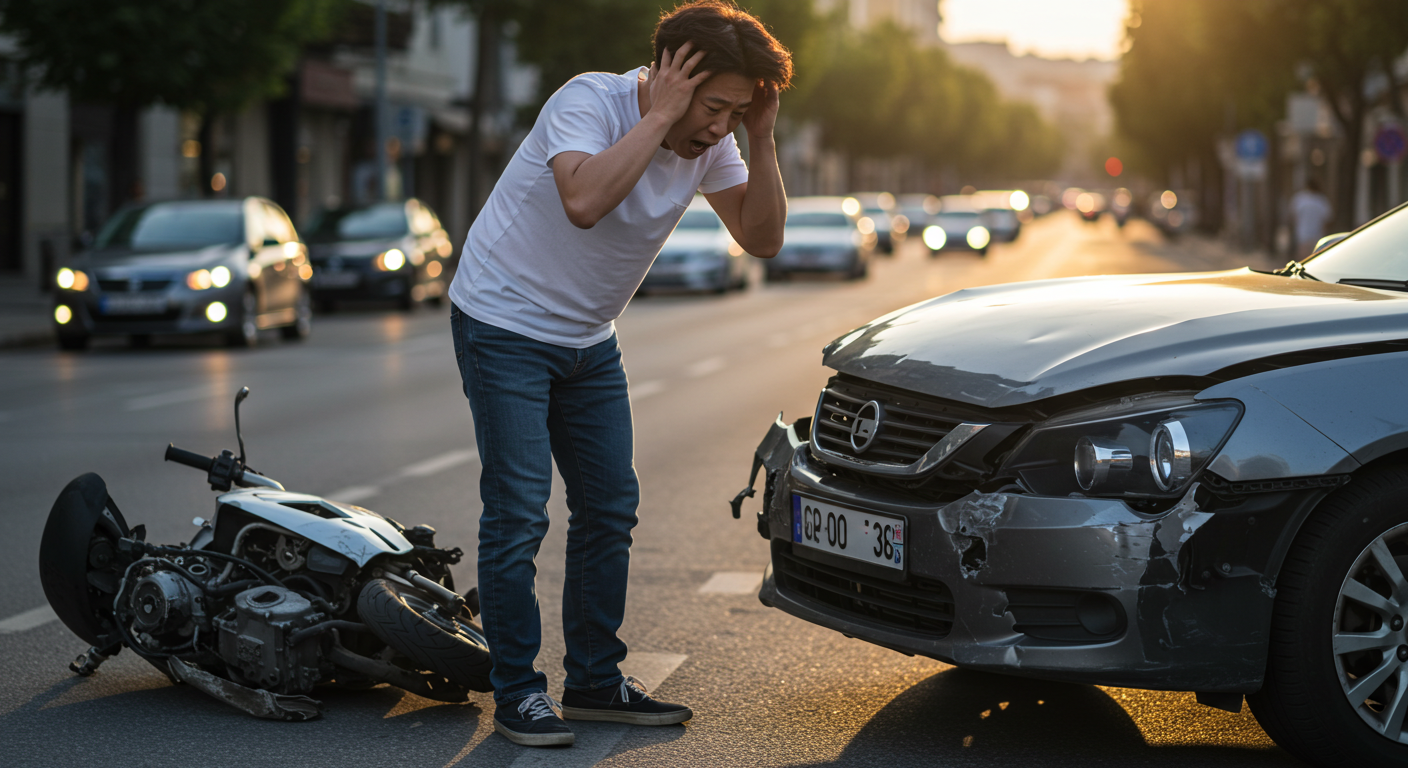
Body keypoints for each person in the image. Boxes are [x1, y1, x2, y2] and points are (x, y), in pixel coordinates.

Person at [446, 0, 791, 748]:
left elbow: (761, 238)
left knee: (609, 508)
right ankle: (518, 694)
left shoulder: (717, 139)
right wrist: (657, 118)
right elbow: (584, 201)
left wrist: (761, 141)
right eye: (713, 107)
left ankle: (597, 681)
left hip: (586, 336)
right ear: (671, 74)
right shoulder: (588, 102)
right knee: (519, 512)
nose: (719, 126)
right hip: (502, 321)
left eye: (737, 111)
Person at [1291, 178, 1333, 259]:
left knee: (1303, 258)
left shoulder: (1300, 199)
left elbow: (1294, 216)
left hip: (1303, 234)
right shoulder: (1321, 200)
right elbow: (1327, 219)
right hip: (1317, 235)